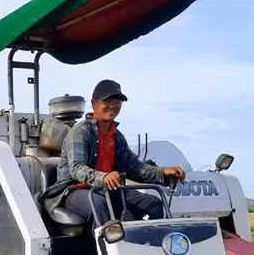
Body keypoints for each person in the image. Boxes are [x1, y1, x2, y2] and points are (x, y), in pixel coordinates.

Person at [45, 79, 186, 226]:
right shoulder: (80, 132)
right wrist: (104, 177)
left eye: (117, 101)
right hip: (74, 191)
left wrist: (163, 172)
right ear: (94, 103)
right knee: (98, 204)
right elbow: (76, 169)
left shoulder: (117, 136)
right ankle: (104, 248)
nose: (113, 106)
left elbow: (134, 168)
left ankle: (147, 246)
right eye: (108, 101)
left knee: (153, 204)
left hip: (106, 191)